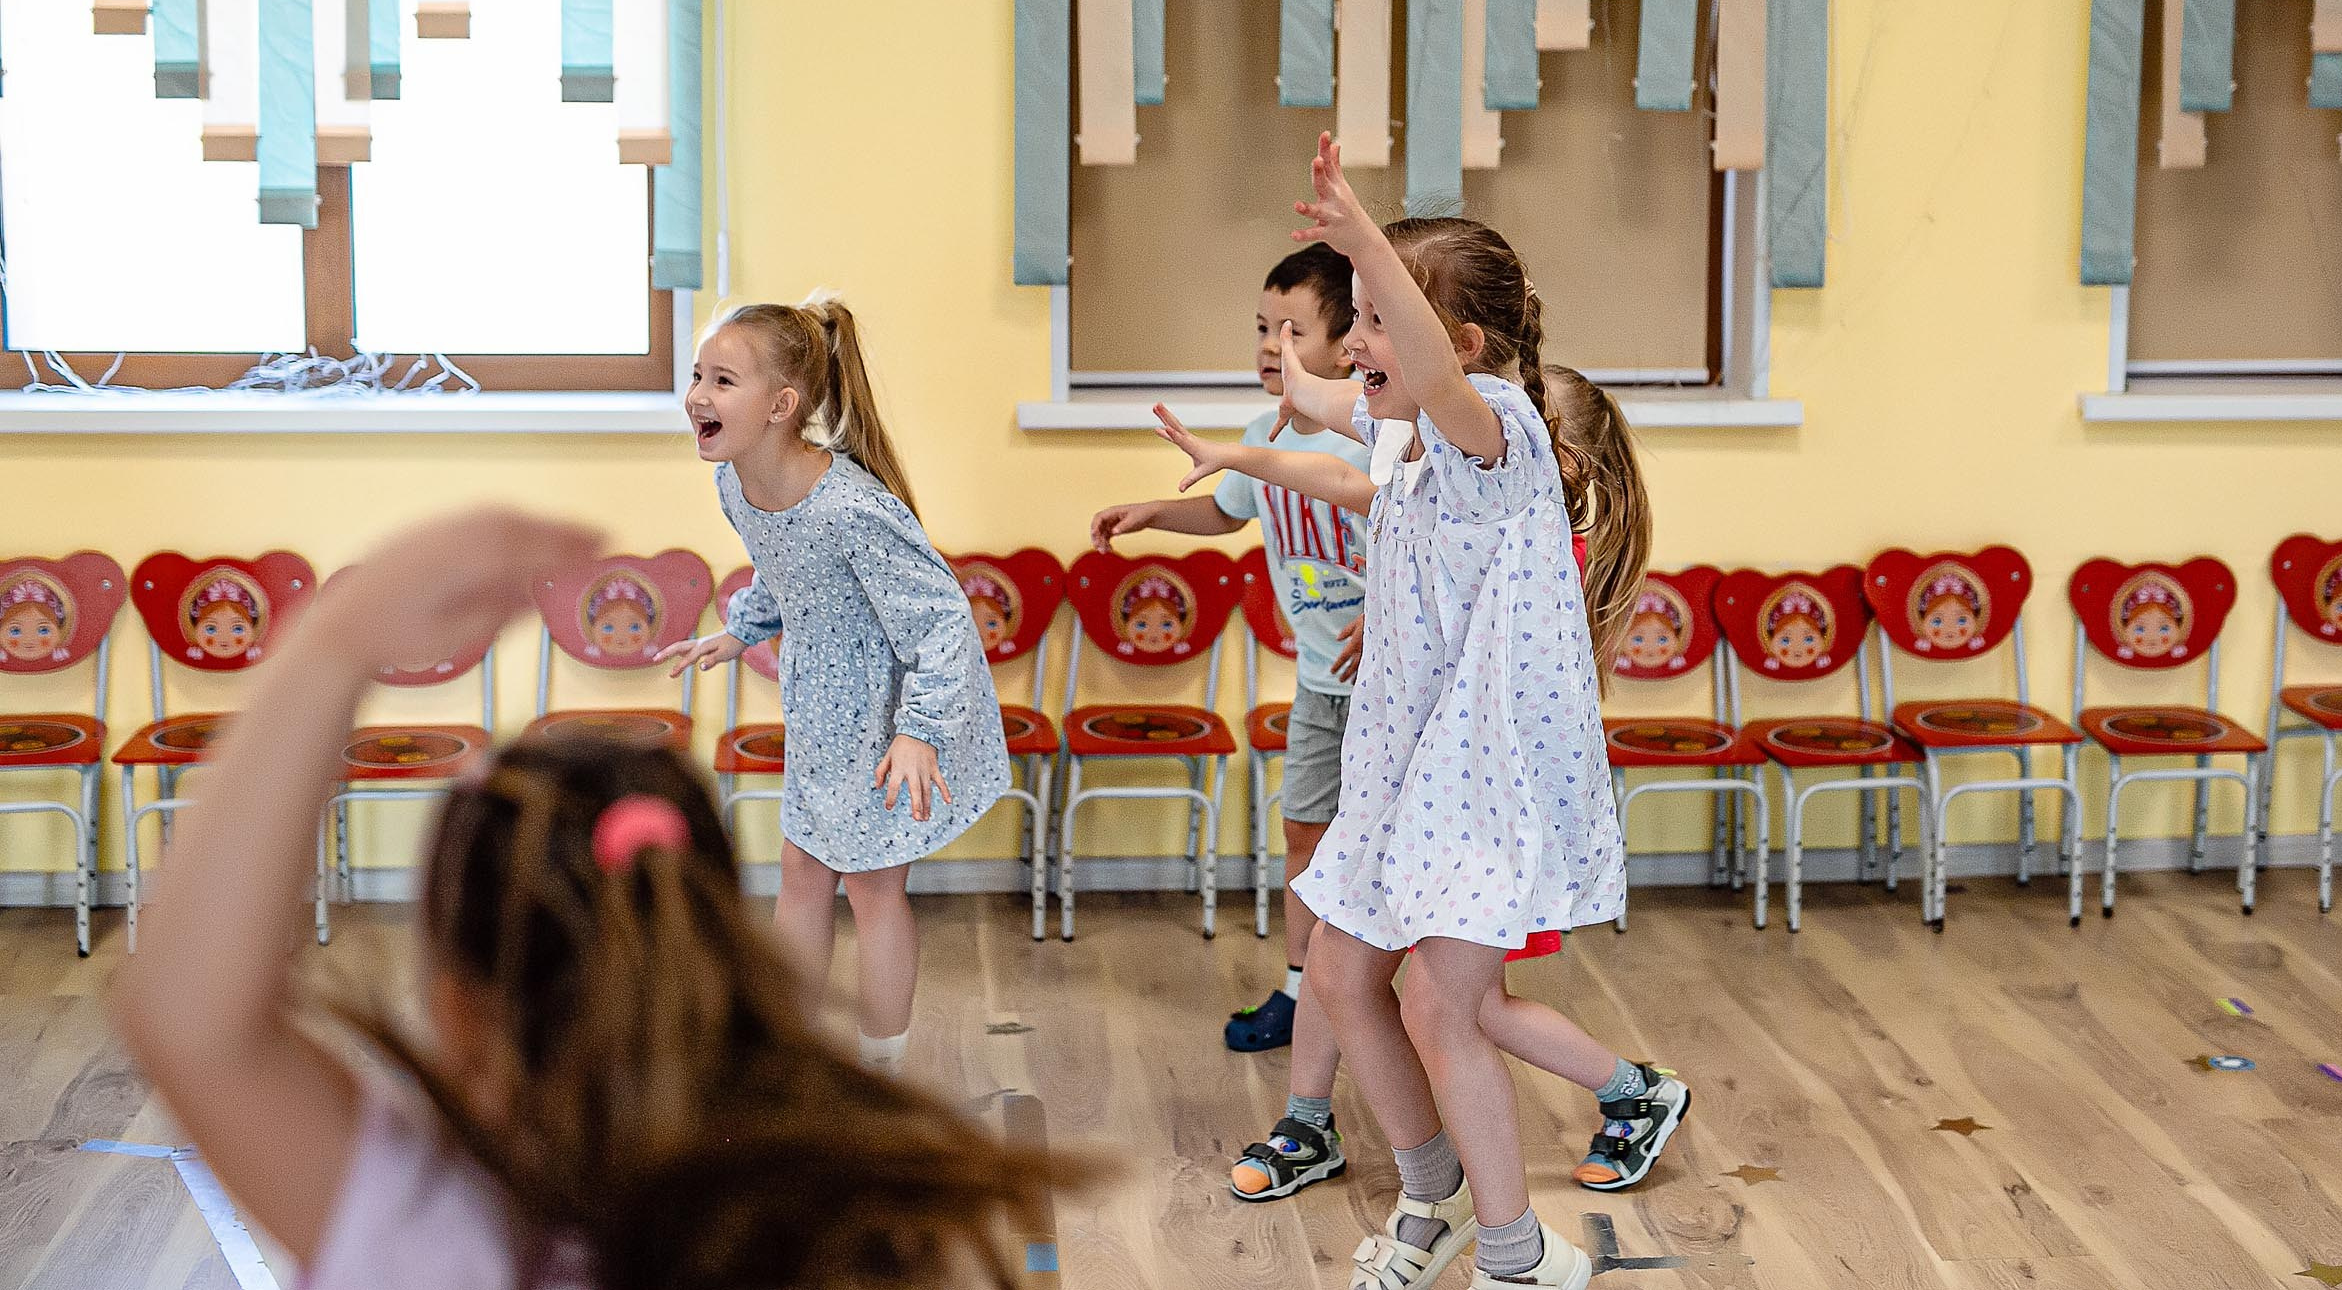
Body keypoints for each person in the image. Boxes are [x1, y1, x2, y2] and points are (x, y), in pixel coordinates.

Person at [112, 509, 1065, 1290]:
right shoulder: (860, 1234)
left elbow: (188, 1017)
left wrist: (335, 644)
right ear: (717, 939)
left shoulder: (434, 1238)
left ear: (454, 995)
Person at [1153, 365, 1686, 1216]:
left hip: (1478, 812)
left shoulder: (1530, 527)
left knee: (1460, 1011)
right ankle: (1333, 1132)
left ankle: (1631, 1094)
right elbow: (1355, 481)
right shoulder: (1444, 488)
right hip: (1417, 795)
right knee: (1362, 965)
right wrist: (1247, 449)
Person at [661, 296, 1009, 1075]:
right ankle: (790, 1058)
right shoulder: (735, 483)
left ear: (782, 407)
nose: (698, 396)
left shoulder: (851, 507)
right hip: (820, 705)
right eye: (696, 376)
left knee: (874, 888)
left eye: (722, 380)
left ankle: (879, 1073)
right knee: (802, 868)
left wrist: (919, 732)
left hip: (893, 710)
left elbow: (944, 622)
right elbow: (786, 575)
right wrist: (739, 629)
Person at [1090, 245, 1369, 1060]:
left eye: (1293, 328)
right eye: (1261, 326)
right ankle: (1300, 992)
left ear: (1349, 342)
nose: (1269, 345)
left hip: (1397, 686)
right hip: (1322, 682)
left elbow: (1426, 540)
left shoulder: (1378, 439)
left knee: (1390, 846)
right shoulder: (1258, 434)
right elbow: (1227, 510)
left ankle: (1389, 1002)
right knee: (1306, 835)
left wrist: (1388, 611)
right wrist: (1151, 512)